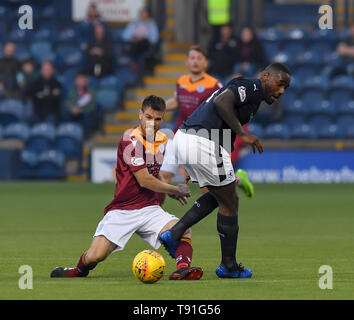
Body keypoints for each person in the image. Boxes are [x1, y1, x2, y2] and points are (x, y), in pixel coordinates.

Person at [159, 62, 291, 279]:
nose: (281, 91)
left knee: (221, 195)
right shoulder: (252, 86)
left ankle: (174, 233)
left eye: (286, 88)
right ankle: (228, 266)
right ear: (266, 76)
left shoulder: (255, 98)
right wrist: (243, 133)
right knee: (230, 202)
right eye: (280, 84)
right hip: (203, 141)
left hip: (188, 139)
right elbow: (222, 101)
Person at [50, 95, 203, 281]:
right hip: (123, 210)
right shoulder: (131, 140)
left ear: (162, 119)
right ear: (140, 114)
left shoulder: (162, 140)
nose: (152, 123)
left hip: (149, 208)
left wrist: (167, 189)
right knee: (96, 256)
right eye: (148, 117)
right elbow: (144, 180)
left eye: (157, 119)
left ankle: (183, 270)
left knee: (184, 230)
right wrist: (173, 190)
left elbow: (154, 172)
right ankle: (77, 271)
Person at [160, 45, 254, 199]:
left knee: (207, 186)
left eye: (199, 58)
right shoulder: (181, 81)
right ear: (187, 62)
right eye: (192, 58)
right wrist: (158, 109)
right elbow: (177, 101)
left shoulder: (214, 85)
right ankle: (159, 216)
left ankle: (237, 180)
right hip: (178, 135)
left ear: (205, 63)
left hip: (199, 138)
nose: (195, 62)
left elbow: (224, 106)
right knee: (164, 175)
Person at [122, 7, 159, 72]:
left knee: (141, 42)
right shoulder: (135, 23)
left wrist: (142, 37)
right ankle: (135, 62)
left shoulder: (151, 24)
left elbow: (154, 39)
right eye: (142, 14)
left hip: (145, 44)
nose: (143, 15)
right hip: (134, 42)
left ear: (148, 15)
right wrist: (133, 38)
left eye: (145, 14)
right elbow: (124, 35)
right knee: (134, 44)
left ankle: (133, 59)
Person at [64, 72, 96, 138]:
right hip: (73, 112)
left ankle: (86, 136)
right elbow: (67, 102)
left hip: (85, 113)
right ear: (76, 81)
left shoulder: (91, 92)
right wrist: (71, 108)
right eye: (79, 80)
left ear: (86, 81)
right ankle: (69, 134)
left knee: (87, 117)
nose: (80, 82)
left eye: (82, 80)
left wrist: (81, 110)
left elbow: (92, 106)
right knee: (66, 114)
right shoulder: (71, 91)